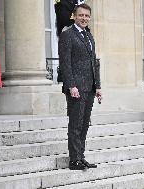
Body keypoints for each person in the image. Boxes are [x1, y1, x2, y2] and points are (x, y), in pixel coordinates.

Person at [58, 3, 102, 170]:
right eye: (81, 15)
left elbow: (94, 63)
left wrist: (98, 86)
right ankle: (73, 160)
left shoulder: (89, 36)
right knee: (75, 124)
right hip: (75, 88)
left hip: (89, 88)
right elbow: (65, 63)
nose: (84, 18)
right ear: (74, 16)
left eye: (87, 16)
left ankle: (80, 157)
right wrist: (71, 85)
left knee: (84, 124)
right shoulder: (67, 35)